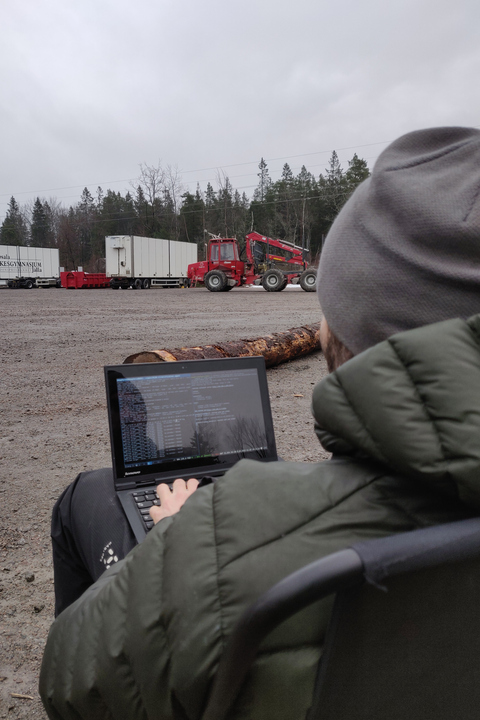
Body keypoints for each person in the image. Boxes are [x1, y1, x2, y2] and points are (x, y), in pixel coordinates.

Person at [40, 126, 480, 720]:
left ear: (341, 330)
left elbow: (69, 680)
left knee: (81, 498)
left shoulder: (230, 539)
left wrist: (173, 546)